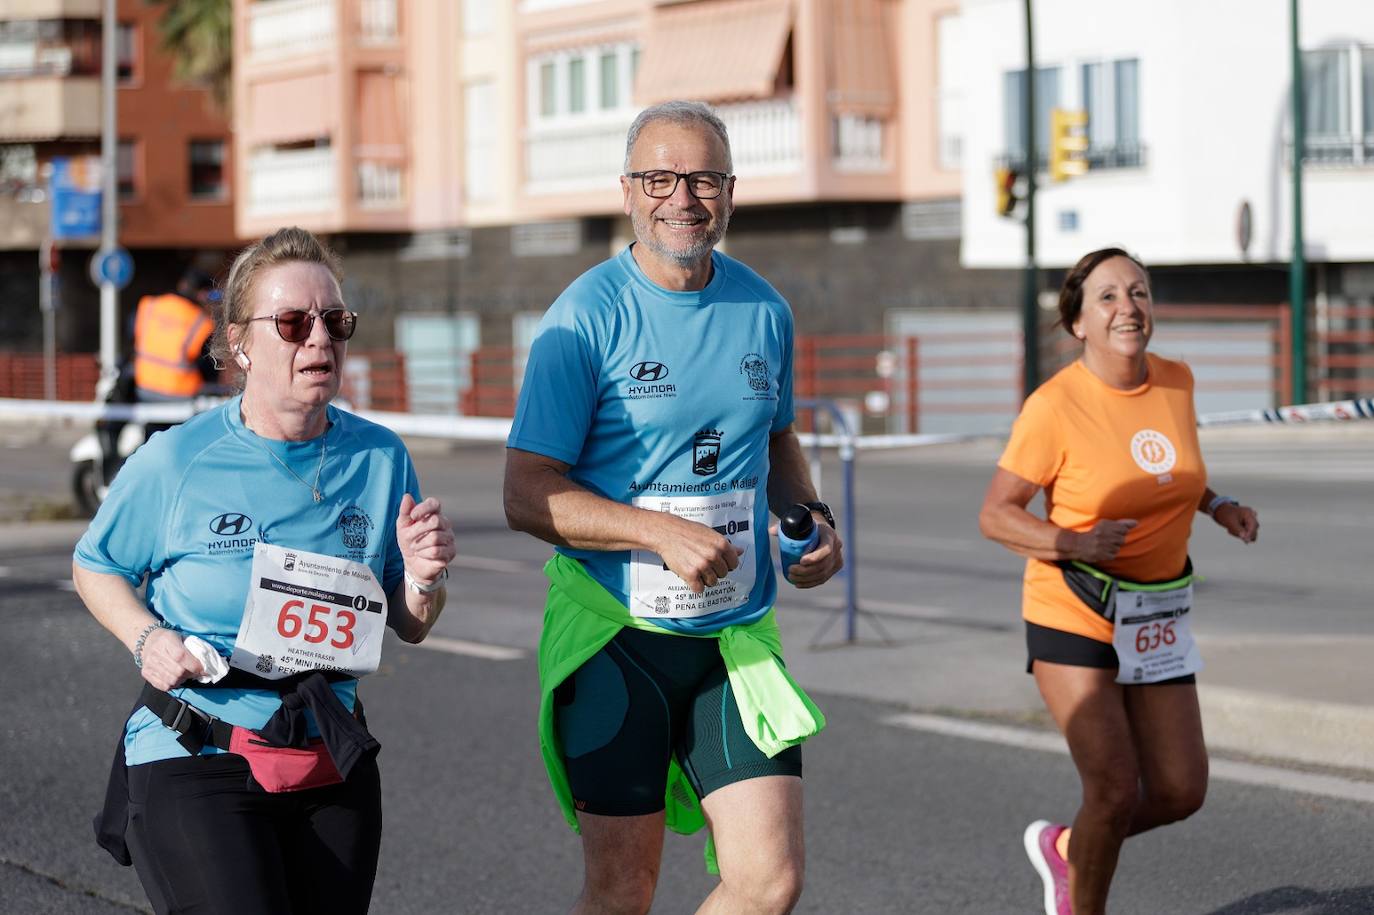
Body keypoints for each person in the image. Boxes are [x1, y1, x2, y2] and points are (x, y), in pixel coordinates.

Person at [503, 100, 843, 914]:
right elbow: (525, 492)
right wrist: (657, 532)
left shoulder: (764, 309)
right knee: (624, 891)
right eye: (661, 177)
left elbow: (779, 437)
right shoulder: (585, 317)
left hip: (732, 635)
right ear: (627, 189)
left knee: (770, 882)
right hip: (616, 637)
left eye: (702, 178)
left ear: (729, 190)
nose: (682, 197)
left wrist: (813, 520)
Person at [73, 227, 456, 915]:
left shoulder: (380, 457)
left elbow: (409, 621)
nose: (319, 339)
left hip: (328, 753)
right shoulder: (178, 460)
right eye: (292, 322)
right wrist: (146, 638)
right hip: (197, 750)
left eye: (334, 322)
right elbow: (96, 563)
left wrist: (424, 577)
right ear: (242, 343)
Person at [978, 247, 1260, 915]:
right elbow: (996, 513)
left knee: (1179, 789)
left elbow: (1172, 473)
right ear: (1078, 321)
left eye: (1138, 292)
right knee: (1111, 785)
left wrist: (1218, 505)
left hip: (1156, 613)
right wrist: (1072, 540)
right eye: (1107, 296)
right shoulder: (1054, 407)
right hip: (1073, 605)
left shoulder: (1176, 381)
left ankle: (1069, 846)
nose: (1127, 307)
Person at [131, 266, 220, 403]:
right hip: (181, 395)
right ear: (202, 294)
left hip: (143, 389)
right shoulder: (201, 323)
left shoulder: (149, 306)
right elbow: (209, 367)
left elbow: (132, 337)